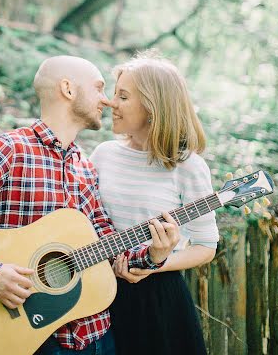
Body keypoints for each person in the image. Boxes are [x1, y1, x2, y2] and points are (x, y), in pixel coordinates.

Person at [0, 55, 179, 355]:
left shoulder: (85, 166)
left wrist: (152, 255)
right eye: (98, 88)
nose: (106, 102)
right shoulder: (11, 150)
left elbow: (105, 241)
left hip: (96, 333)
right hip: (30, 338)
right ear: (68, 89)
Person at [90, 52, 219, 355]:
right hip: (95, 294)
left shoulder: (187, 166)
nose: (111, 103)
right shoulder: (104, 154)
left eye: (123, 96)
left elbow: (205, 246)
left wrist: (156, 262)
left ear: (152, 105)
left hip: (157, 302)